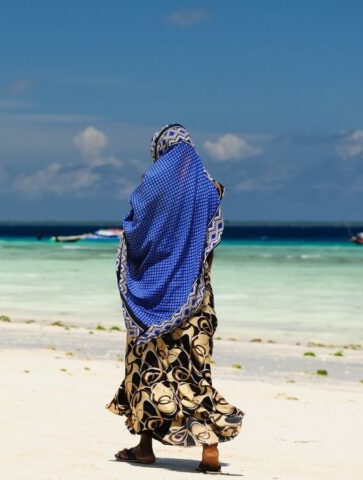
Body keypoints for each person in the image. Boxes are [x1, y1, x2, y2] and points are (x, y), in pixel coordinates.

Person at [107, 124, 243, 473]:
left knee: (147, 370)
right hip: (196, 300)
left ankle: (145, 447)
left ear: (160, 152)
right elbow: (209, 244)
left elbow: (134, 231)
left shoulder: (151, 186)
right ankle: (209, 448)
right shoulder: (209, 189)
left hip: (151, 301)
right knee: (193, 372)